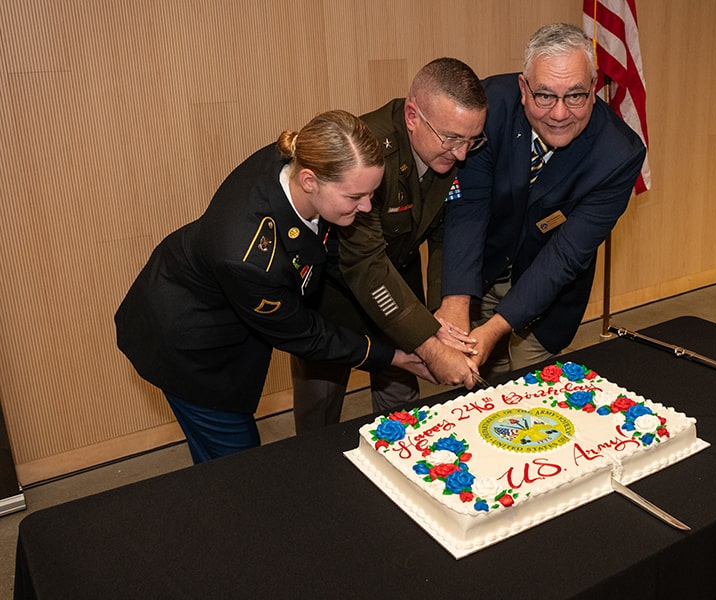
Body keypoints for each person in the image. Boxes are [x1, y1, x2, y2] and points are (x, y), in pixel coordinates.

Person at [115, 110, 431, 463]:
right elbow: (304, 333)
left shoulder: (296, 162)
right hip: (190, 342)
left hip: (226, 304)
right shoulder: (248, 256)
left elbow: (327, 257)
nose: (367, 206)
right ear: (310, 180)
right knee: (238, 465)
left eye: (372, 193)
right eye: (355, 196)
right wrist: (394, 356)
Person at [436, 23, 646, 375]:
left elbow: (565, 255)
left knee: (528, 394)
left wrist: (494, 330)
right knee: (480, 395)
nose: (560, 113)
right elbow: (468, 208)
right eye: (545, 95)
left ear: (594, 90)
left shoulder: (619, 155)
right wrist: (456, 301)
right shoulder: (491, 109)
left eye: (575, 95)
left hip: (549, 295)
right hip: (480, 272)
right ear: (523, 88)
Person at [291, 58, 488, 431]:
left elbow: (447, 228)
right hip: (335, 299)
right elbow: (363, 262)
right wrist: (430, 344)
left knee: (403, 413)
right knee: (319, 418)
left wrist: (445, 308)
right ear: (413, 116)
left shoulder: (450, 149)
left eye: (471, 140)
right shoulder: (368, 153)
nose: (462, 154)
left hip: (399, 287)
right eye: (452, 139)